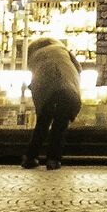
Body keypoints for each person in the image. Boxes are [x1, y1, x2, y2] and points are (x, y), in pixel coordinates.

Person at [21, 36, 82, 171]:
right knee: (60, 124)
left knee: (43, 122)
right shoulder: (62, 49)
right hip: (67, 87)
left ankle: (30, 157)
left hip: (45, 89)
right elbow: (79, 68)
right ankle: (53, 160)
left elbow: (36, 74)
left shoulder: (34, 55)